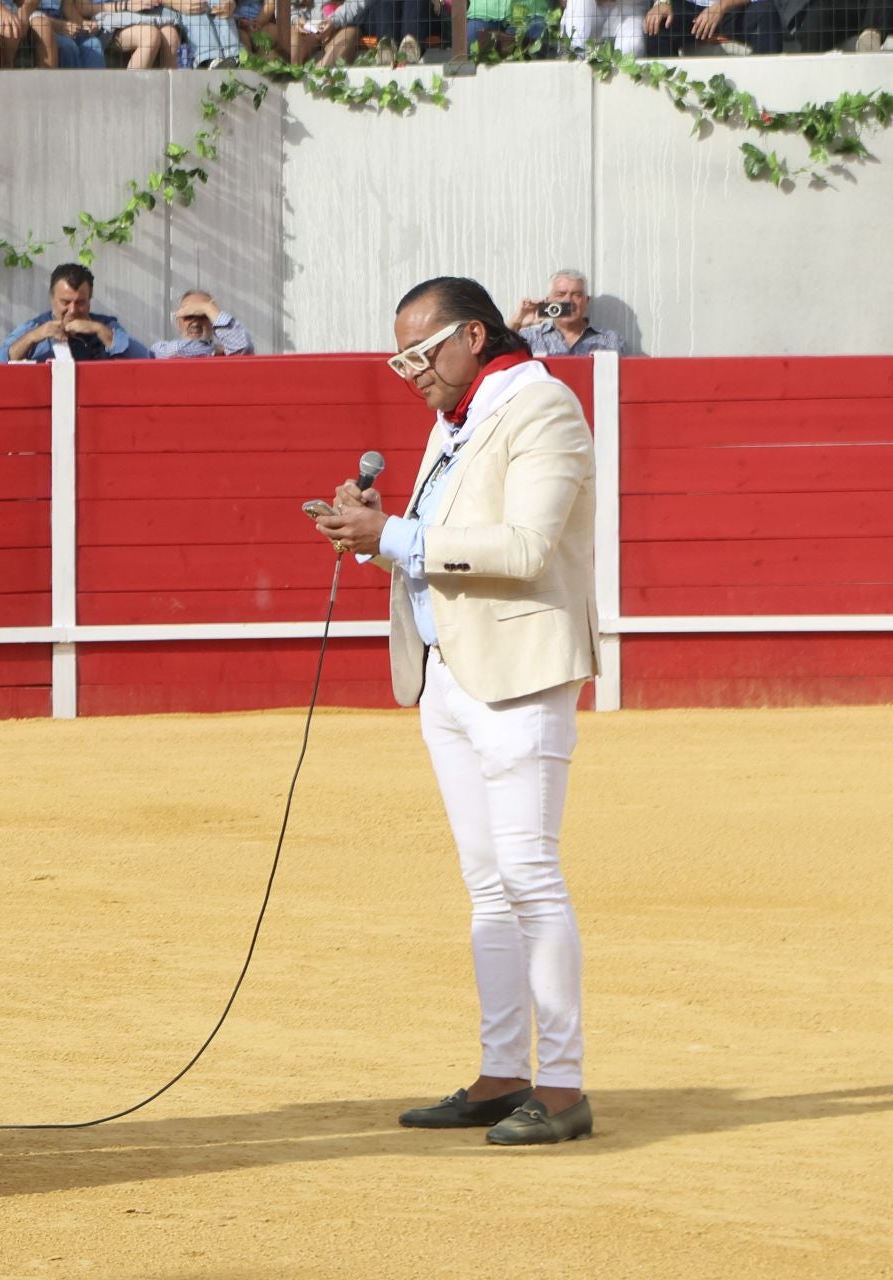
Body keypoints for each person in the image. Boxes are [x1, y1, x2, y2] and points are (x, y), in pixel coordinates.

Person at [312, 276, 599, 1147]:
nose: (410, 373)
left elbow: (522, 548)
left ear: (473, 337)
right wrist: (379, 529)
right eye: (399, 358)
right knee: (488, 885)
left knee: (529, 875)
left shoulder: (543, 408)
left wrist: (395, 536)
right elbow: (442, 544)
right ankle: (503, 1067)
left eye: (420, 353)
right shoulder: (457, 421)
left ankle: (562, 1084)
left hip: (516, 671)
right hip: (448, 671)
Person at [0, 263, 143, 363]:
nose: (73, 310)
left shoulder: (107, 326)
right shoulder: (34, 327)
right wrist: (32, 337)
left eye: (80, 302)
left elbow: (144, 359)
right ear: (52, 298)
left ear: (90, 300)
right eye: (65, 302)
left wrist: (98, 329)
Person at [509, 269, 623, 358]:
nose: (568, 300)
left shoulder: (610, 341)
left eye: (576, 295)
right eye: (561, 294)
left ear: (586, 301)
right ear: (548, 301)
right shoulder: (530, 338)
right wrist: (517, 322)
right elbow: (495, 355)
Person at [642, 0, 783, 52]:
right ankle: (668, 104)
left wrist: (721, 6)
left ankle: (764, 102)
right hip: (688, 7)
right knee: (658, 23)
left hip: (733, 8)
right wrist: (662, 3)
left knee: (766, 14)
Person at [151, 290, 253, 358]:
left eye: (203, 315)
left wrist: (208, 308)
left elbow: (243, 348)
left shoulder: (225, 350)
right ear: (178, 322)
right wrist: (212, 350)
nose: (195, 323)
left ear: (213, 322)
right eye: (188, 316)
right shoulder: (161, 348)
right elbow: (176, 351)